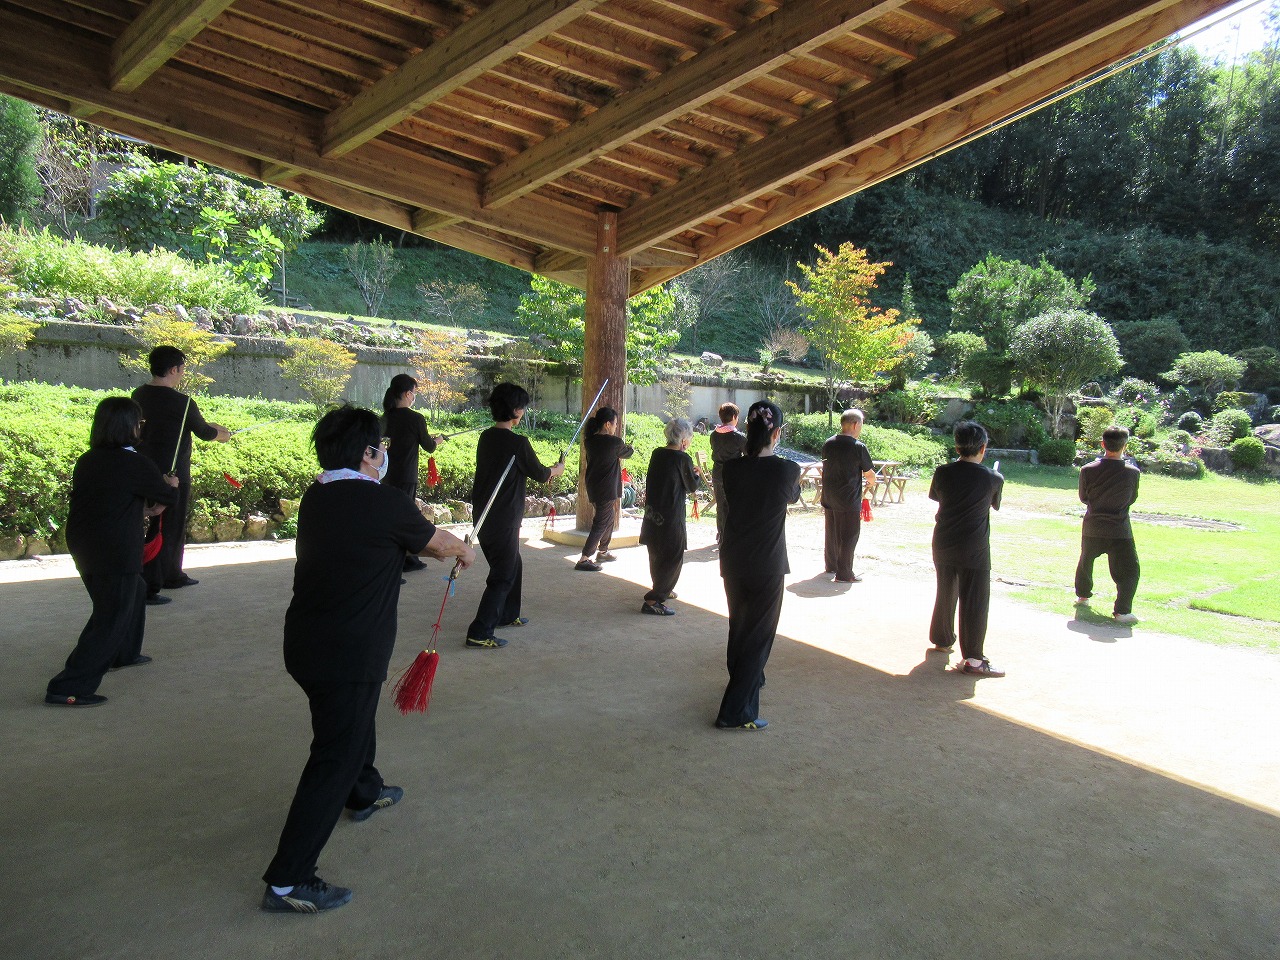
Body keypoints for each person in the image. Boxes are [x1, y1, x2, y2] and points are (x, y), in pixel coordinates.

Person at [261, 406, 474, 915]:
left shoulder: (318, 494)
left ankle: (364, 790)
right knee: (333, 755)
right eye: (380, 447)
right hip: (348, 652)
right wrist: (465, 551)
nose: (384, 455)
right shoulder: (383, 502)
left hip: (308, 642)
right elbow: (440, 545)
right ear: (366, 454)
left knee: (349, 724)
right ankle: (288, 882)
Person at [45, 397, 179, 707]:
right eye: (139, 422)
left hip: (86, 543)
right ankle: (68, 686)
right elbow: (166, 497)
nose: (141, 427)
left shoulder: (88, 460)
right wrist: (171, 484)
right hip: (115, 548)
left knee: (133, 592)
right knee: (110, 616)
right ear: (129, 426)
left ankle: (125, 653)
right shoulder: (135, 463)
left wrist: (146, 507)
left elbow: (112, 499)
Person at [715, 401, 801, 730]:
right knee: (759, 635)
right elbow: (792, 496)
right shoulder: (787, 469)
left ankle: (749, 680)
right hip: (767, 562)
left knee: (740, 625)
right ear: (776, 433)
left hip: (734, 558)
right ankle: (736, 711)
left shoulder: (732, 469)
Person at [464, 383, 565, 648]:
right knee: (503, 574)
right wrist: (557, 470)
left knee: (512, 564)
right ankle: (480, 632)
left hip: (485, 516)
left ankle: (508, 614)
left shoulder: (486, 437)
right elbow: (540, 474)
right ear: (516, 411)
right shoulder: (518, 443)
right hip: (504, 519)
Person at [132, 345, 230, 604]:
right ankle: (166, 576)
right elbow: (204, 433)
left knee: (146, 523)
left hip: (143, 469)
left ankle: (152, 572)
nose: (183, 373)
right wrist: (223, 434)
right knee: (170, 526)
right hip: (174, 475)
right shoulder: (183, 403)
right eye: (182, 368)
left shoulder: (138, 395)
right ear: (174, 369)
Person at [928, 421, 1006, 677]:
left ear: (957, 446)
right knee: (975, 600)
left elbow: (937, 497)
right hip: (974, 546)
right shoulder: (993, 477)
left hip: (943, 541)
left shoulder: (943, 472)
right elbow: (994, 504)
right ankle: (973, 659)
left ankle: (942, 639)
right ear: (983, 448)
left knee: (946, 589)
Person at [1075, 425, 1142, 624]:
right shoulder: (1132, 473)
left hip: (1093, 525)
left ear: (1103, 444)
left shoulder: (1087, 470)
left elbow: (1084, 497)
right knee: (1130, 571)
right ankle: (1122, 611)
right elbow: (1131, 498)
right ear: (1125, 446)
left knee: (1086, 561)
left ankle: (1082, 596)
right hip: (1119, 528)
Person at [381, 373, 445, 572]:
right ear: (408, 394)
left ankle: (400, 559)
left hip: (385, 475)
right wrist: (439, 439)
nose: (414, 396)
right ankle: (405, 560)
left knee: (390, 516)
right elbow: (429, 446)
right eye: (414, 392)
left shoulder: (385, 417)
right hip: (406, 476)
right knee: (406, 518)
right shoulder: (416, 418)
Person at [639, 417, 699, 616]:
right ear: (684, 440)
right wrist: (696, 474)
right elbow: (692, 486)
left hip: (653, 513)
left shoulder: (657, 453)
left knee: (656, 553)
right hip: (671, 515)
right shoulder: (683, 459)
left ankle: (662, 588)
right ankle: (654, 599)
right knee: (673, 555)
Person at [821, 409, 879, 583]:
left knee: (832, 532)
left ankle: (831, 565)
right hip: (848, 498)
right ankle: (844, 574)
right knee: (849, 535)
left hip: (829, 495)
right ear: (855, 425)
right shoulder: (858, 446)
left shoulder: (828, 443)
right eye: (861, 424)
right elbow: (869, 474)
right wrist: (872, 481)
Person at [575, 406, 634, 572]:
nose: (616, 427)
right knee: (601, 522)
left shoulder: (589, 441)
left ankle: (603, 551)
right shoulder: (615, 442)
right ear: (607, 424)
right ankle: (584, 558)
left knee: (609, 517)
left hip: (594, 487)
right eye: (615, 423)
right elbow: (627, 453)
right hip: (606, 489)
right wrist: (630, 447)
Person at [708, 402, 746, 542]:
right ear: (734, 417)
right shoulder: (738, 437)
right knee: (733, 506)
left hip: (717, 474)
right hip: (733, 476)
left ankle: (721, 534)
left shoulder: (714, 435)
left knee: (721, 506)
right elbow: (749, 455)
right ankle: (731, 536)